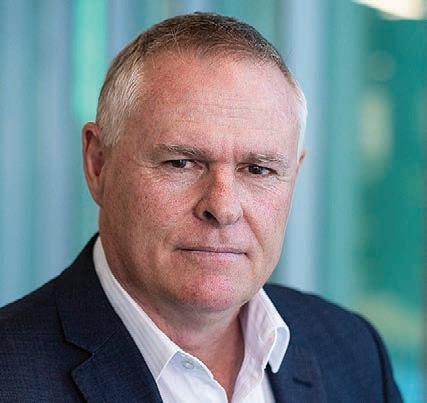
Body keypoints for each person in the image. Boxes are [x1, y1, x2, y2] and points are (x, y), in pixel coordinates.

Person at [0, 12, 402, 403]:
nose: (223, 208)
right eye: (181, 162)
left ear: (293, 177)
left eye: (258, 169)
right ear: (98, 164)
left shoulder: (351, 350)